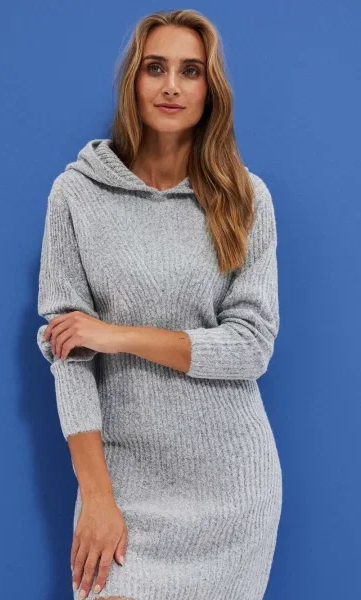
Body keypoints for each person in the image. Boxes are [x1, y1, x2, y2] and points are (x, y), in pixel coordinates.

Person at [37, 9, 282, 600]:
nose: (172, 86)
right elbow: (68, 356)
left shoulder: (244, 198)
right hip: (122, 483)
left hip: (232, 487)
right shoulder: (76, 193)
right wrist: (96, 496)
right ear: (134, 81)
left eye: (190, 71)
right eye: (156, 68)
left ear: (209, 89)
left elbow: (251, 347)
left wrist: (115, 335)